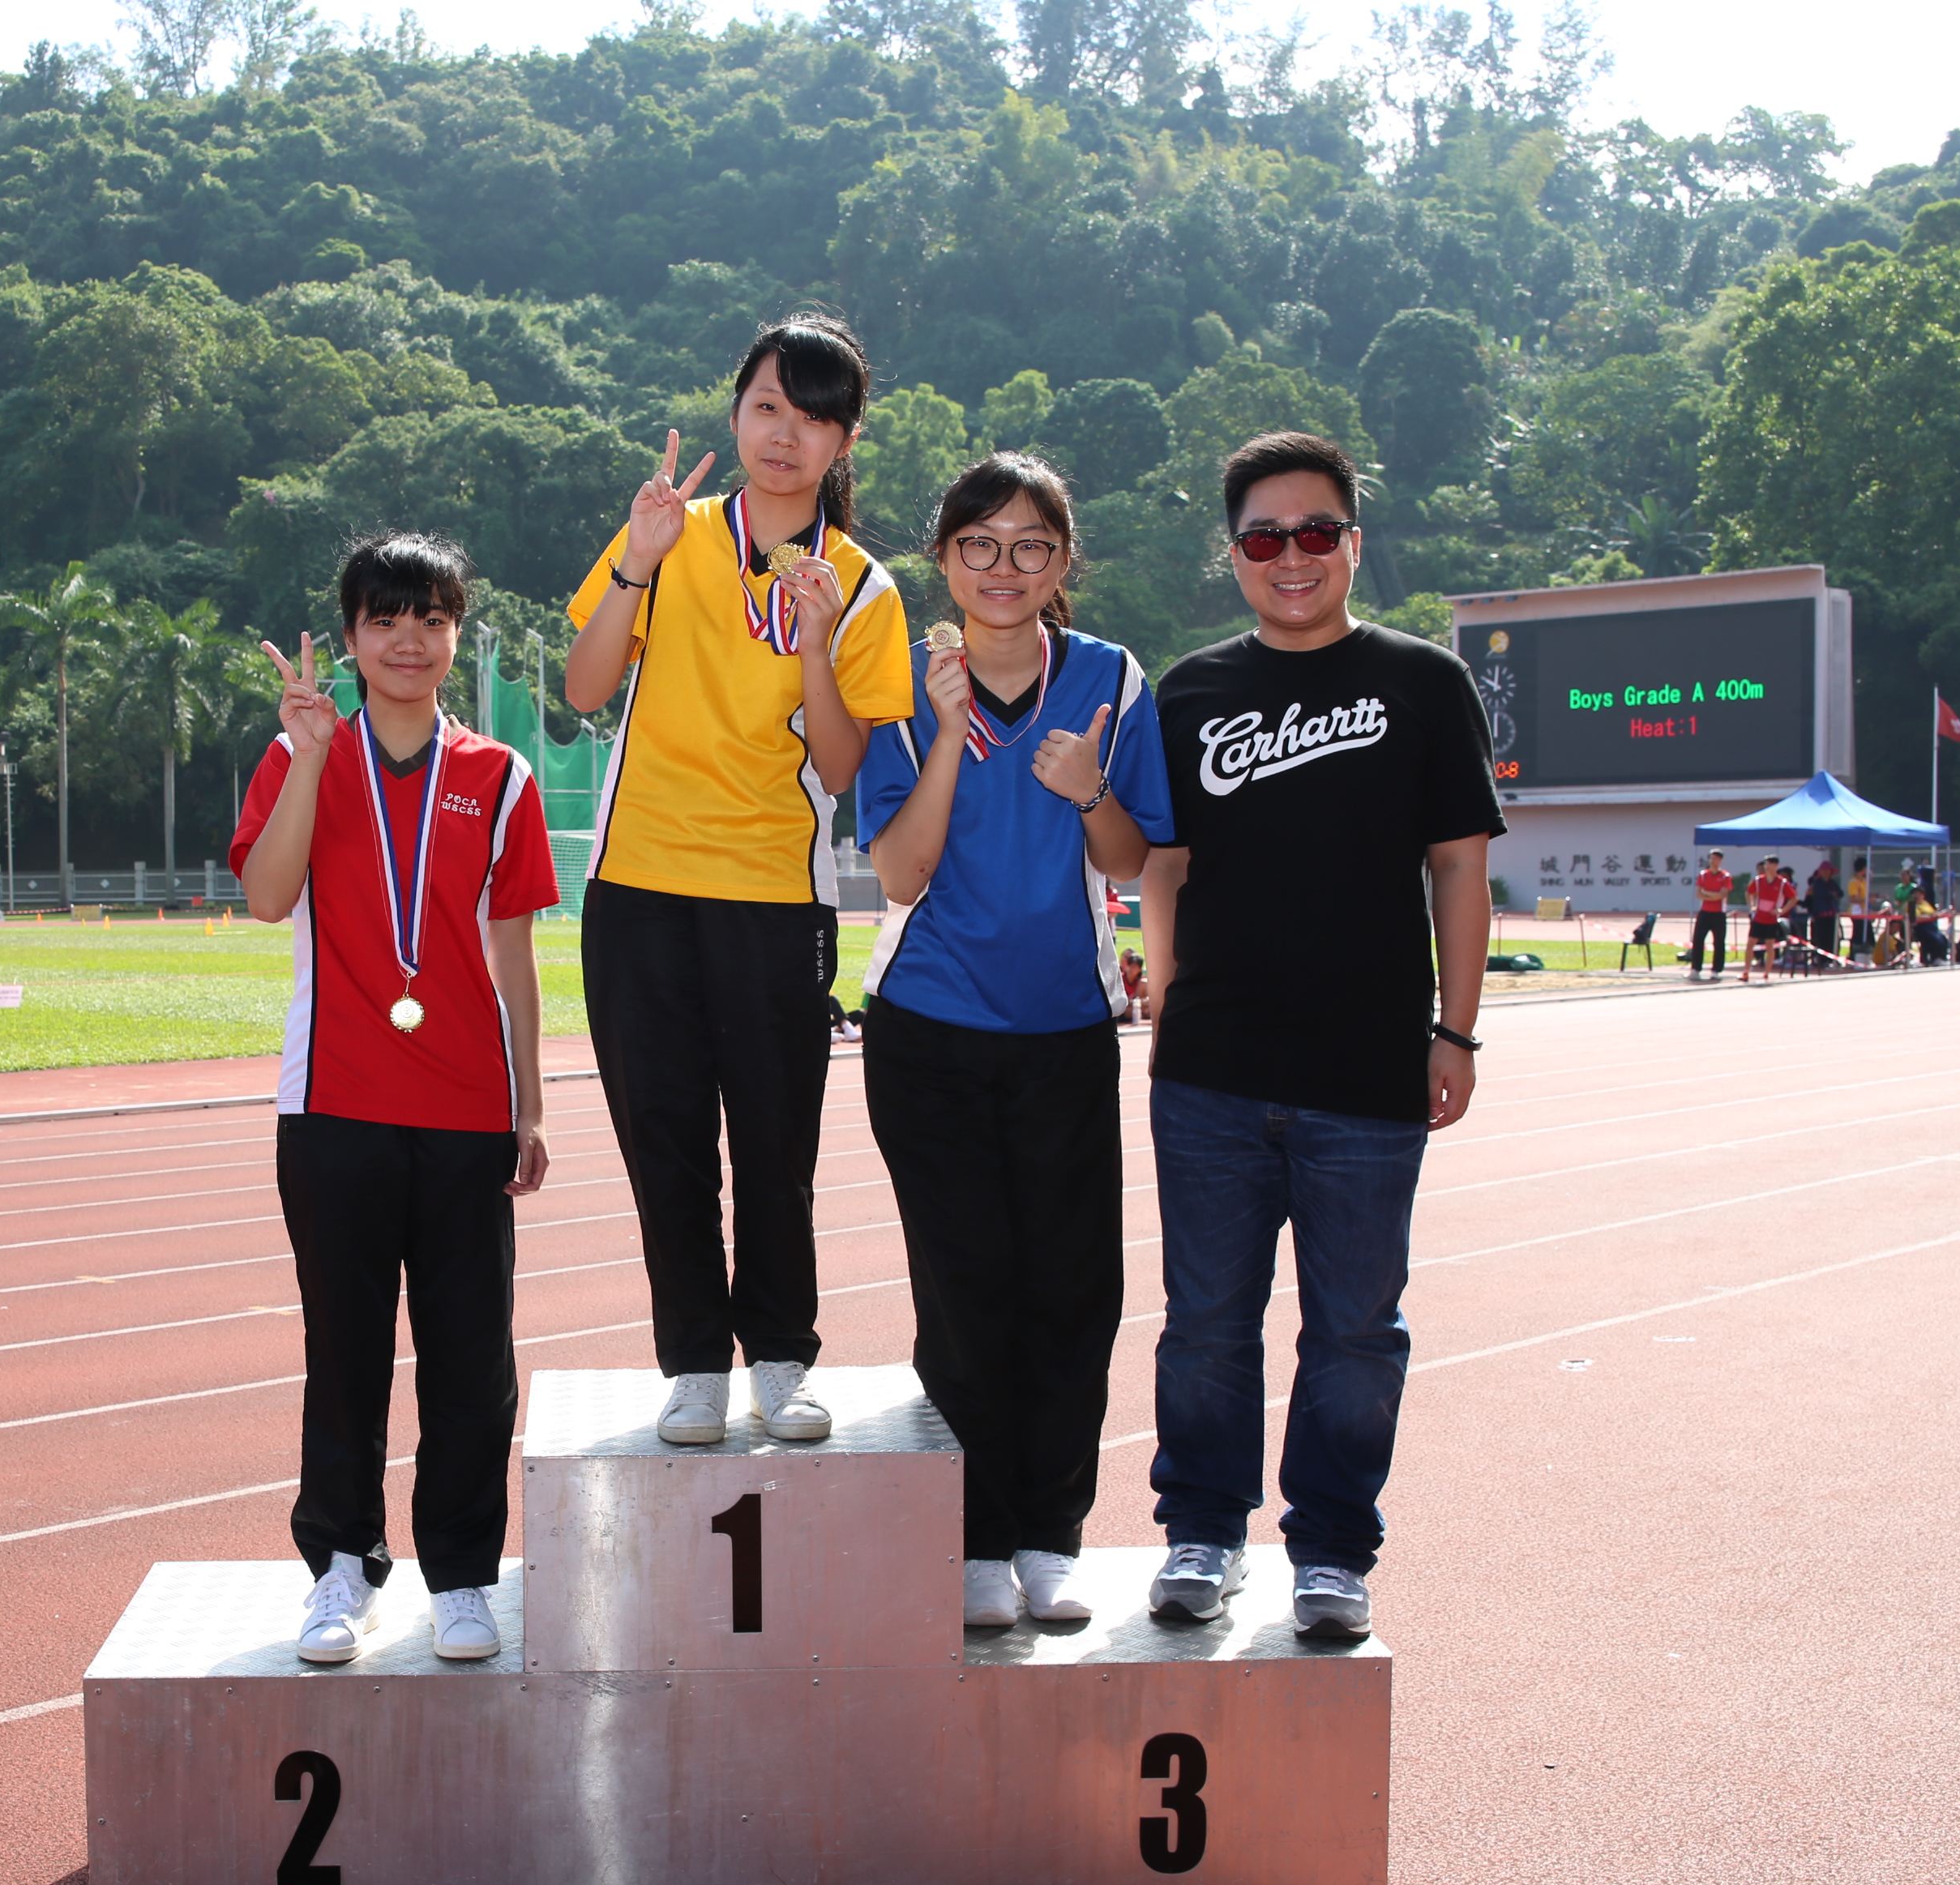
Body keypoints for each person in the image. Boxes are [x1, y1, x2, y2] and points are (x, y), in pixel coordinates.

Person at [1139, 430, 1502, 1643]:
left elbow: (1459, 868)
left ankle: (1333, 1550)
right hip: (1213, 1074)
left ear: (1352, 540)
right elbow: (1165, 867)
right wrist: (1167, 1009)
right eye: (1263, 537)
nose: (1289, 557)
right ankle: (1201, 1532)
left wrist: (1457, 1031)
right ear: (1232, 552)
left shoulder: (1424, 682)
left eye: (1314, 532)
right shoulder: (1189, 693)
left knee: (1355, 1329)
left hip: (1369, 1074)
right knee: (1205, 1321)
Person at [562, 314, 915, 1448]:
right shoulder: (669, 535)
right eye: (768, 406)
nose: (785, 434)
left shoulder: (862, 585)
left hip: (775, 895)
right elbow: (584, 687)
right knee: (663, 1139)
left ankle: (779, 1356)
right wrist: (636, 558)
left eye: (814, 417)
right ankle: (692, 1364)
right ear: (735, 412)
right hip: (639, 886)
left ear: (845, 440)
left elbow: (843, 765)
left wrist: (815, 639)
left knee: (775, 1144)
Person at [857, 451, 1175, 1631]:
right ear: (944, 558)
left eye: (1031, 544)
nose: (1005, 566)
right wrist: (944, 733)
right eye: (980, 544)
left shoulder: (1109, 676)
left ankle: (1051, 1535)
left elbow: (1131, 858)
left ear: (1062, 560)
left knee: (1073, 1289)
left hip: (1064, 1030)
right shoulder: (901, 679)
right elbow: (901, 872)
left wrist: (1089, 788)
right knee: (965, 1291)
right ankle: (977, 1541)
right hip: (929, 1027)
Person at [229, 532, 558, 1667]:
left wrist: (531, 1105)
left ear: (456, 632)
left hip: (469, 1111)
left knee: (472, 1359)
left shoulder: (501, 777)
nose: (409, 640)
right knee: (346, 1352)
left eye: (431, 618)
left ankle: (461, 1576)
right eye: (385, 619)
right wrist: (310, 757)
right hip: (335, 1105)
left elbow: (514, 958)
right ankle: (341, 1566)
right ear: (352, 636)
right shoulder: (297, 757)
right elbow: (267, 897)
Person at [1688, 849, 1731, 981]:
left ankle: (1716, 970)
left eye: (1716, 859)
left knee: (1719, 942)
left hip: (1719, 914)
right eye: (1711, 858)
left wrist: (1707, 893)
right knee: (1698, 940)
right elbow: (1698, 894)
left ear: (1720, 860)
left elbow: (1722, 895)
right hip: (1705, 912)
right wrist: (1712, 895)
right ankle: (1695, 969)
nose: (1713, 861)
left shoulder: (1725, 876)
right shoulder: (1703, 875)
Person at [1744, 855, 1788, 982]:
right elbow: (1749, 892)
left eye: (1770, 864)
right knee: (1750, 944)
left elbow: (1793, 898)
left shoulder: (1782, 883)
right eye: (1766, 864)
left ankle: (1767, 973)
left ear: (1776, 866)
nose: (1767, 867)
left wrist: (1781, 910)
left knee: (1770, 945)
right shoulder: (1758, 880)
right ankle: (1746, 971)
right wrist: (1752, 906)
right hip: (1758, 918)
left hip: (1771, 919)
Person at [1804, 851, 1841, 960]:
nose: (1826, 873)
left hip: (1831, 914)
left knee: (1832, 937)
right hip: (1820, 914)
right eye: (1824, 871)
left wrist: (1834, 894)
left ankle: (1832, 958)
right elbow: (1821, 894)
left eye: (1828, 871)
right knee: (1821, 937)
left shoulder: (1832, 882)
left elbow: (1840, 893)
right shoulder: (1817, 883)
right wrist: (1831, 894)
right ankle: (1821, 959)